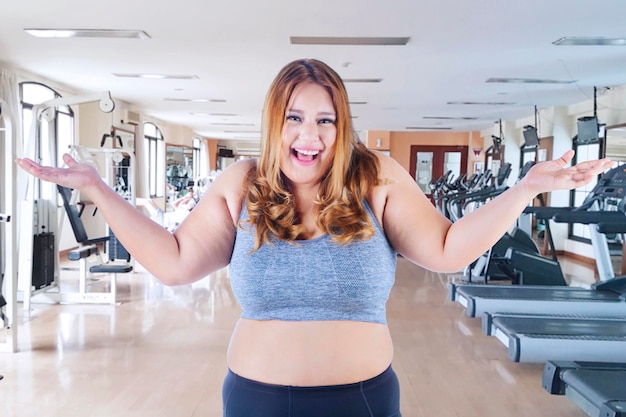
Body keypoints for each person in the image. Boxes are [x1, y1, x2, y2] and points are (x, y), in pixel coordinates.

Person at [16, 58, 614, 417]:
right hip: (255, 402)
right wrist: (97, 188)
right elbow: (173, 262)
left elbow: (449, 248)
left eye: (325, 120)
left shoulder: (373, 176)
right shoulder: (240, 182)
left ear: (341, 126)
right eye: (295, 119)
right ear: (275, 124)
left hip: (360, 401)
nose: (311, 136)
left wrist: (524, 189)